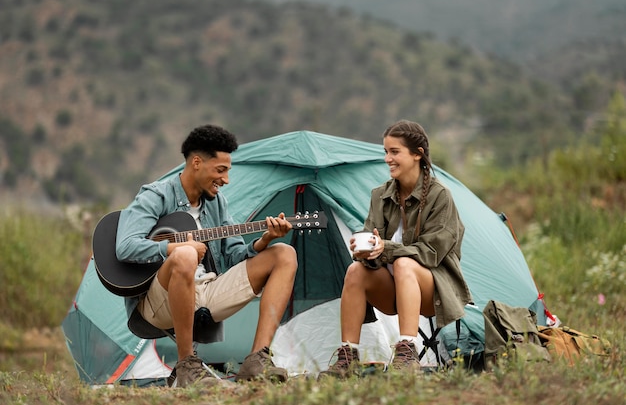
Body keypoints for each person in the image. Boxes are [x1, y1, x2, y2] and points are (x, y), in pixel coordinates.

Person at [115, 124, 298, 387]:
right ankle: (186, 364)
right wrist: (173, 249)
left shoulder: (217, 203)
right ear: (197, 163)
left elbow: (235, 256)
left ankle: (257, 361)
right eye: (220, 170)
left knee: (284, 254)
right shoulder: (156, 195)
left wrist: (265, 240)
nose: (226, 180)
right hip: (158, 301)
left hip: (206, 292)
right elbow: (125, 246)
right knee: (186, 256)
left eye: (228, 171)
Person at [320, 120, 472, 378]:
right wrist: (365, 251)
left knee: (404, 263)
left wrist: (385, 248)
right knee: (355, 271)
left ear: (417, 154)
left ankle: (407, 351)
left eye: (394, 152)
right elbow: (373, 240)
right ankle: (348, 356)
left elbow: (431, 252)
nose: (387, 159)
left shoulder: (439, 196)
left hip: (431, 290)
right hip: (391, 288)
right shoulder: (380, 195)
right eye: (386, 152)